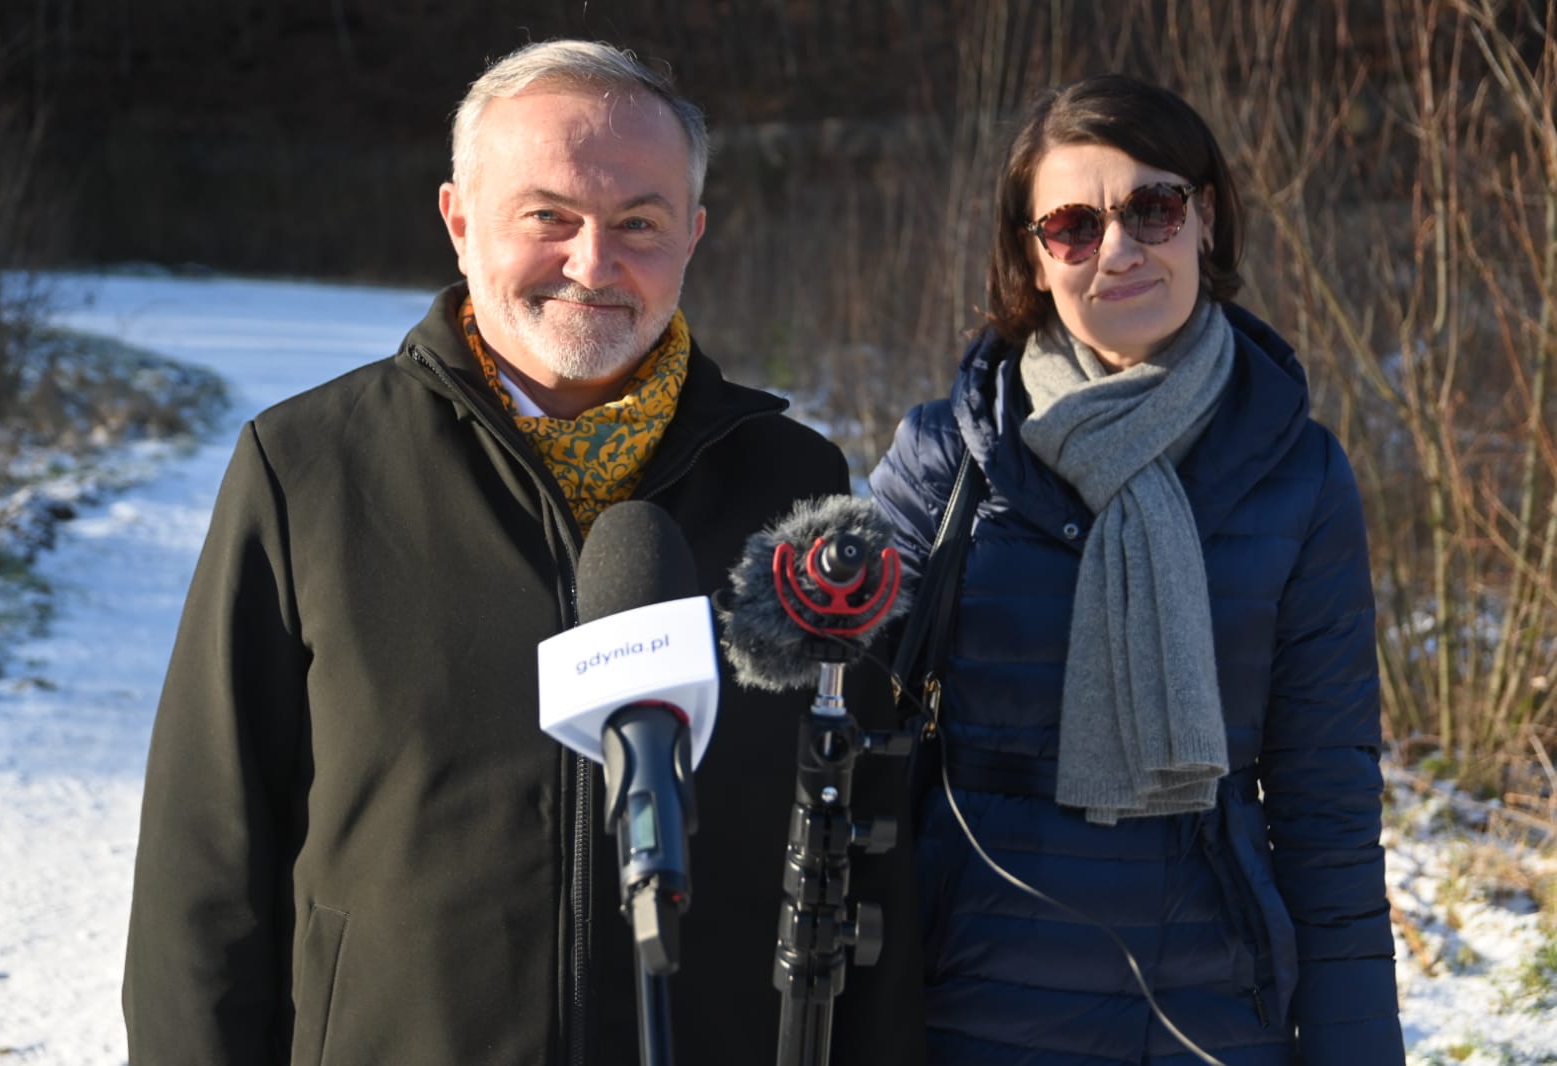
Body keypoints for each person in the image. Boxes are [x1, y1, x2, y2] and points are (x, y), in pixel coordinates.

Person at [123, 39, 921, 1066]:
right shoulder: (309, 469)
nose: (594, 263)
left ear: (694, 235)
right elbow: (207, 867)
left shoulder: (792, 483)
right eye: (549, 216)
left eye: (639, 221)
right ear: (460, 221)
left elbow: (860, 844)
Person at [870, 74, 1403, 1065]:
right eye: (1072, 225)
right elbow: (831, 695)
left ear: (1205, 219)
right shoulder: (950, 456)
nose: (1118, 249)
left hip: (1209, 1012)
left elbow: (1326, 811)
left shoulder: (1298, 474)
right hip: (970, 1006)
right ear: (1030, 257)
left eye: (1152, 208)